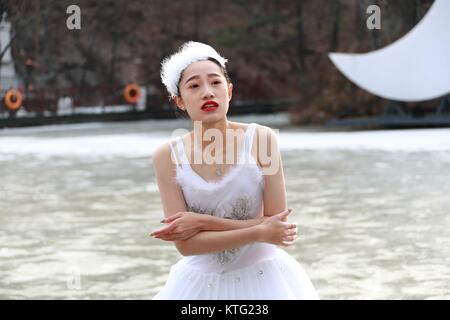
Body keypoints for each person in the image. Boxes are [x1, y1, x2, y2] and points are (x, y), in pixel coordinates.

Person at [151, 41, 319, 299]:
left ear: (229, 91)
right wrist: (257, 231)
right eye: (194, 86)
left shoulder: (262, 140)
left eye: (215, 82)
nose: (207, 92)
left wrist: (203, 222)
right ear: (179, 101)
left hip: (267, 280)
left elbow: (278, 226)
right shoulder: (167, 156)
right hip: (198, 286)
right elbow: (186, 244)